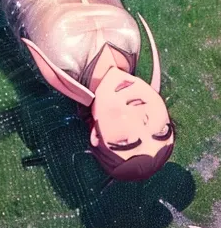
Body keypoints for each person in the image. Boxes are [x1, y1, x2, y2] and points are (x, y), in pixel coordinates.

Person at [22, 14, 175, 183]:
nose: (144, 119)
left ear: (96, 135)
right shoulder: (132, 45)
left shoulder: (62, 57)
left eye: (126, 142)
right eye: (161, 131)